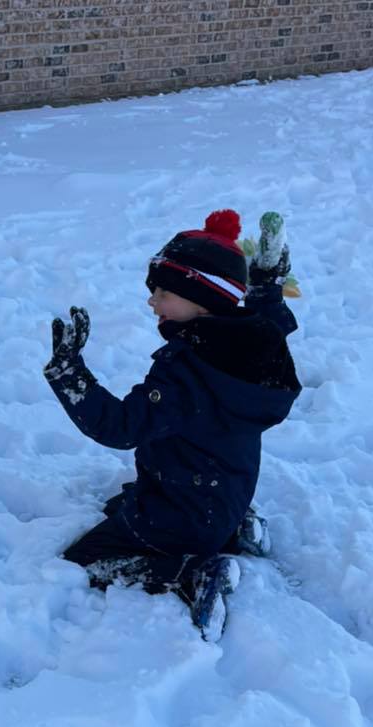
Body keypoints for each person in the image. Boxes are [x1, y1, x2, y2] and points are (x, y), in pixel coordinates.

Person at [43, 209, 301, 641]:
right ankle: (238, 529)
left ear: (201, 300)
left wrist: (69, 374)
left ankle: (191, 575)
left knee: (84, 559)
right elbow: (269, 317)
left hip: (185, 516)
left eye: (163, 292)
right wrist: (266, 283)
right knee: (122, 504)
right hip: (226, 495)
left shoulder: (187, 372)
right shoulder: (254, 343)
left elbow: (122, 427)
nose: (152, 301)